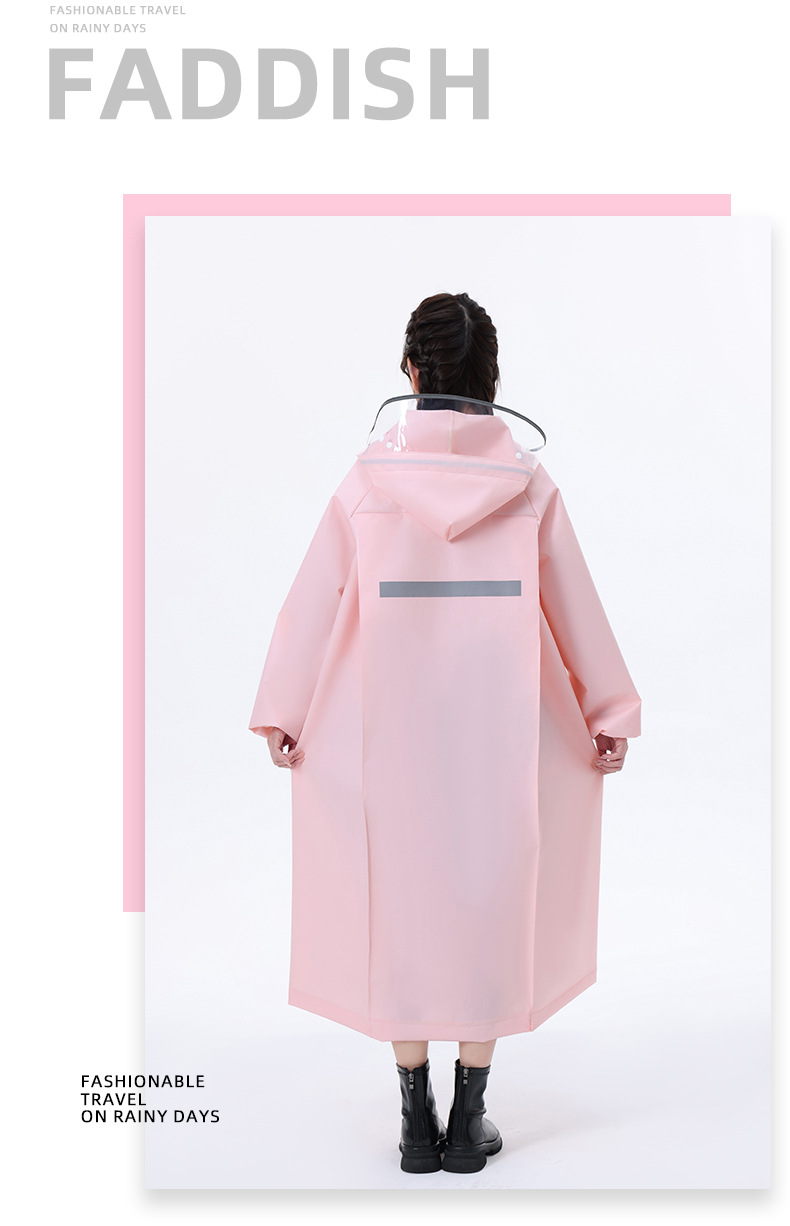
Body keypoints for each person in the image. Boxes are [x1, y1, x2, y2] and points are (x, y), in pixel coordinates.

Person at [249, 292, 641, 1175]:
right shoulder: (529, 489)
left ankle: (413, 1119)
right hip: (501, 741)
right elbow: (574, 607)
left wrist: (283, 710)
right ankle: (469, 1120)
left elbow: (314, 599)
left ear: (411, 370)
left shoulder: (365, 485)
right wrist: (608, 712)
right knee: (490, 901)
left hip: (382, 738)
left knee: (399, 903)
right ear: (491, 378)